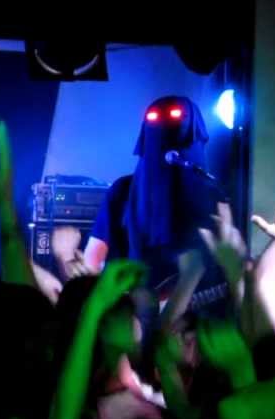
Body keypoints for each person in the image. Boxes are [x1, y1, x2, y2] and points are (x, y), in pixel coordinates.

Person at [82, 96, 223, 298]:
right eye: (155, 120)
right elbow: (93, 261)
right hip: (134, 302)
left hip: (197, 306)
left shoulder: (214, 195)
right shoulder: (122, 190)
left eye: (176, 119)